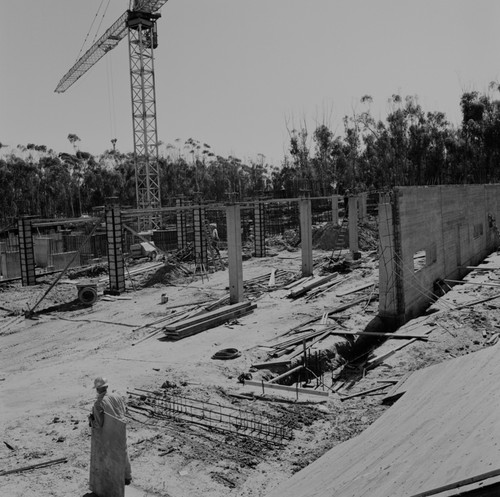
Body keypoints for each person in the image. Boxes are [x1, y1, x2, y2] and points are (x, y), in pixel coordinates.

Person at [89, 377, 132, 492]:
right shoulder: (117, 396)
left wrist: (91, 419)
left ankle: (114, 481)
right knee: (123, 450)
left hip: (109, 434)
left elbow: (98, 424)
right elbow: (124, 411)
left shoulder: (99, 403)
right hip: (121, 430)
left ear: (98, 389)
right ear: (107, 386)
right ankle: (127, 476)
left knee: (110, 457)